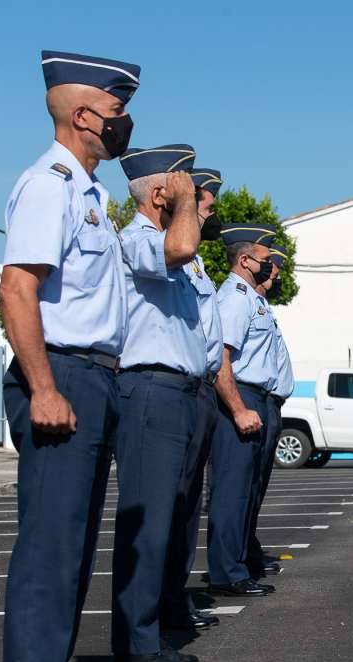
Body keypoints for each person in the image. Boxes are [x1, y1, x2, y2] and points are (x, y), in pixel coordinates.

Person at [0, 49, 139, 662]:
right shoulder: (48, 185)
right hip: (61, 374)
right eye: (117, 112)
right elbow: (17, 288)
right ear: (85, 116)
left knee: (74, 543)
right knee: (51, 545)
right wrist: (44, 385)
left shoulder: (89, 194)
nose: (124, 124)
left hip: (93, 374)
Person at [113, 144, 205, 662]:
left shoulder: (168, 245)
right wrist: (187, 204)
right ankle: (135, 640)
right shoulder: (139, 240)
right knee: (147, 521)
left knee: (168, 517)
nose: (193, 196)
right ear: (158, 193)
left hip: (179, 392)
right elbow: (185, 245)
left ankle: (150, 628)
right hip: (150, 389)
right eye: (184, 185)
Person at [159, 166, 226, 632]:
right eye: (204, 205)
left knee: (185, 509)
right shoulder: (156, 246)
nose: (209, 214)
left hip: (195, 387)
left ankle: (173, 601)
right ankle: (155, 615)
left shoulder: (196, 264)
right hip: (165, 388)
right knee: (166, 506)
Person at [207, 224, 280, 597]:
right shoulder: (235, 299)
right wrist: (237, 408)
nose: (271, 268)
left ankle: (238, 563)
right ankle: (226, 571)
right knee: (231, 491)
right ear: (245, 259)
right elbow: (222, 358)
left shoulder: (251, 298)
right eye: (266, 261)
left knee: (246, 489)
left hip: (257, 397)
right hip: (243, 397)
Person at [246, 244, 295, 579]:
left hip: (268, 400)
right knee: (243, 488)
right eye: (271, 266)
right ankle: (235, 562)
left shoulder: (261, 305)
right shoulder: (239, 299)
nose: (275, 274)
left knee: (256, 486)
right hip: (252, 398)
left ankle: (247, 551)